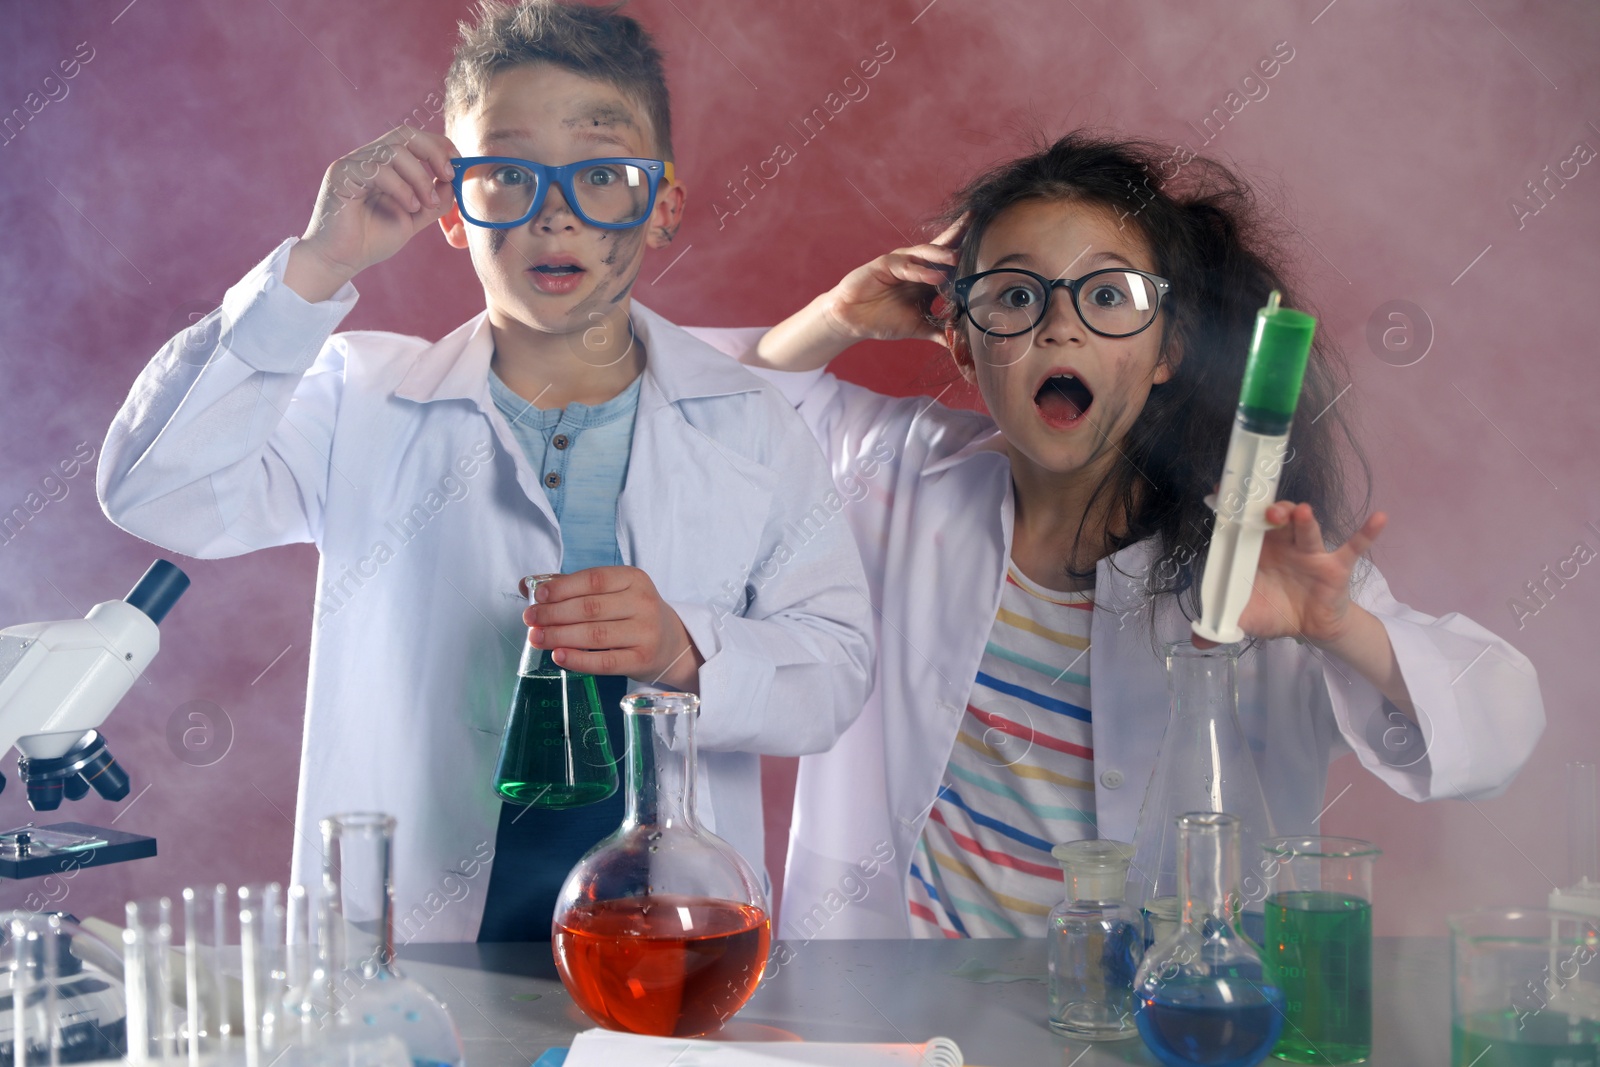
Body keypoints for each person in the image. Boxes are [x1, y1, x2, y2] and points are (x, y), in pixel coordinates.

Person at [96, 0, 873, 942]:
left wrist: (686, 649)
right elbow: (156, 487)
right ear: (454, 212)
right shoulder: (361, 398)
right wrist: (317, 264)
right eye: (507, 174)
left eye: (601, 173)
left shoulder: (750, 420)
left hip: (669, 943)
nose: (556, 212)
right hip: (408, 946)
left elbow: (835, 669)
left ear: (661, 205)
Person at [699, 132, 1545, 940]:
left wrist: (1339, 629)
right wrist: (835, 316)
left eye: (1108, 296)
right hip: (911, 1017)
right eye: (1015, 295)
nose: (1058, 327)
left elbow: (1499, 727)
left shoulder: (1258, 570)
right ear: (962, 341)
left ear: (1168, 347)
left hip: (1160, 1029)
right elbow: (700, 427)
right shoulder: (896, 470)